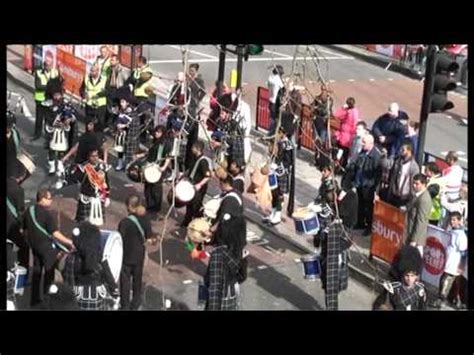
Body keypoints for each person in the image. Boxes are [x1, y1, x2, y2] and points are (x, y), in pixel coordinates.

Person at [23, 188, 74, 306]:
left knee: (36, 272)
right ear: (43, 199)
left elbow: (23, 230)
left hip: (34, 246)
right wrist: (69, 242)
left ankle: (34, 301)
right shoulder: (47, 214)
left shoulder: (29, 210)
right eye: (49, 198)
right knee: (49, 275)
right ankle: (47, 301)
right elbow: (55, 233)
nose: (51, 201)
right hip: (47, 248)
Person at [203, 175, 246, 310]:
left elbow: (207, 280)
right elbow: (242, 276)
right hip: (230, 298)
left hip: (215, 302)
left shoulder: (218, 254)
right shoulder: (242, 254)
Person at [62, 222, 119, 310]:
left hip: (78, 297)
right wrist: (114, 292)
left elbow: (69, 282)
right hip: (98, 295)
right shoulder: (99, 256)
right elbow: (108, 276)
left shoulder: (72, 258)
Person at [118, 195, 156, 310]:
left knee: (125, 283)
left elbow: (119, 240)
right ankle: (135, 304)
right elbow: (150, 236)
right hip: (139, 256)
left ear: (129, 206)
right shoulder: (145, 219)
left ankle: (125, 306)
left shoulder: (124, 222)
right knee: (137, 281)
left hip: (126, 256)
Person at [344, 134, 382, 236]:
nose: (362, 144)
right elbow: (357, 164)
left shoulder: (376, 156)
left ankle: (369, 226)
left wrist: (375, 190)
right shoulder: (362, 152)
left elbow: (377, 175)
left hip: (368, 186)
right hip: (359, 183)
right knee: (359, 204)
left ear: (371, 143)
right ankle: (360, 223)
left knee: (368, 207)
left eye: (364, 142)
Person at [430, 211, 467, 309]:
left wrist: (461, 265)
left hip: (454, 264)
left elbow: (463, 252)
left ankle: (440, 300)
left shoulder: (461, 236)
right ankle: (455, 300)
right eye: (451, 219)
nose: (452, 222)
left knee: (445, 280)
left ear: (459, 221)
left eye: (454, 220)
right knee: (450, 282)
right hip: (449, 261)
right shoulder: (453, 232)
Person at [134, 126, 172, 216]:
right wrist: (140, 155)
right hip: (150, 166)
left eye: (159, 132)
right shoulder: (154, 141)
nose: (156, 134)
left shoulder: (166, 143)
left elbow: (168, 157)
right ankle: (150, 204)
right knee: (148, 187)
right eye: (156, 132)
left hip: (158, 168)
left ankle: (156, 207)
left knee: (156, 188)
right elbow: (150, 152)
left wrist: (163, 167)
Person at [262, 125, 295, 225]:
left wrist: (277, 166)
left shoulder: (288, 145)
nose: (277, 134)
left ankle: (278, 215)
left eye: (279, 132)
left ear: (284, 133)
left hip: (282, 173)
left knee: (280, 195)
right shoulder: (278, 142)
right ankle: (273, 213)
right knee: (274, 193)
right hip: (274, 171)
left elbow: (288, 162)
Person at [69, 149, 111, 226]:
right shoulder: (83, 168)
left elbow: (106, 182)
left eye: (96, 156)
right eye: (92, 156)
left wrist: (107, 196)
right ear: (88, 157)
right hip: (86, 197)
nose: (95, 158)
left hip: (99, 197)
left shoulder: (102, 166)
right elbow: (74, 179)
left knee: (98, 223)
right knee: (83, 223)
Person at [378, 245, 427, 311]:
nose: (410, 279)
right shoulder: (393, 288)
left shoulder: (420, 290)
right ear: (402, 274)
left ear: (416, 275)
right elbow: (380, 304)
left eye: (412, 276)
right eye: (407, 276)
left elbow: (422, 308)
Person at [181, 140, 212, 227]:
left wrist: (200, 184)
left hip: (198, 187)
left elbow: (208, 176)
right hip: (191, 184)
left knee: (196, 205)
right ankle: (186, 221)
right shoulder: (194, 158)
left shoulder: (203, 161)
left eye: (193, 147)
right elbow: (191, 169)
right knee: (189, 204)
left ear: (198, 149)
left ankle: (196, 223)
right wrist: (183, 175)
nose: (191, 149)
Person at [184, 63, 206, 171]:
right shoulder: (188, 79)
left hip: (193, 109)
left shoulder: (199, 81)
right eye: (190, 70)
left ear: (196, 71)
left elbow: (203, 92)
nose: (191, 72)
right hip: (187, 107)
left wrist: (198, 100)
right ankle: (185, 161)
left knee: (192, 135)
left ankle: (190, 163)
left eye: (192, 70)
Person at [32, 56, 60, 140]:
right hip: (40, 99)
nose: (48, 67)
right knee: (39, 118)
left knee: (49, 118)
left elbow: (57, 85)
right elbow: (38, 86)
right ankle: (37, 134)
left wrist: (51, 89)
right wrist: (49, 88)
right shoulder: (38, 72)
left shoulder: (55, 72)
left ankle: (49, 135)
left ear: (52, 65)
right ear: (44, 65)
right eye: (46, 65)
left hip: (50, 100)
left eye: (49, 65)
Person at [405, 174, 432, 256]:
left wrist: (414, 240)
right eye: (413, 183)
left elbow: (421, 221)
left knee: (414, 262)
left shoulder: (424, 199)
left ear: (423, 184)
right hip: (411, 233)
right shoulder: (418, 195)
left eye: (417, 184)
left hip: (416, 239)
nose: (414, 185)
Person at [386, 141, 420, 208]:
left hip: (404, 198)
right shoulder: (397, 161)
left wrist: (410, 202)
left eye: (403, 149)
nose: (400, 151)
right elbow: (387, 165)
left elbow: (414, 184)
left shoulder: (413, 166)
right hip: (393, 195)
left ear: (409, 151)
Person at [7, 169, 29, 269]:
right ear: (21, 176)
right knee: (24, 246)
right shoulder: (19, 190)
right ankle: (23, 269)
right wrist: (22, 226)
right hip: (11, 224)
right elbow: (20, 210)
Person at [80, 64, 108, 132]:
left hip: (100, 106)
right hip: (89, 105)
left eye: (93, 71)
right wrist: (84, 94)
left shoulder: (104, 79)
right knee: (88, 124)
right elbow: (82, 89)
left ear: (98, 71)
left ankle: (98, 140)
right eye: (91, 71)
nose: (91, 73)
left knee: (99, 125)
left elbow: (107, 91)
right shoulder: (87, 78)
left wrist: (98, 95)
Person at [113, 93, 134, 171]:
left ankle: (127, 165)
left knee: (127, 150)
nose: (121, 104)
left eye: (123, 102)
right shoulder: (120, 111)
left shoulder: (131, 112)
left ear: (127, 103)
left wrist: (124, 125)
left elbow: (131, 123)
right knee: (120, 149)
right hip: (120, 134)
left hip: (128, 134)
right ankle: (120, 163)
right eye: (121, 102)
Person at [267, 65, 285, 136]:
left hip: (271, 100)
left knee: (272, 118)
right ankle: (271, 133)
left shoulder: (270, 78)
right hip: (276, 102)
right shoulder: (277, 79)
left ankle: (271, 133)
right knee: (275, 119)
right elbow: (283, 89)